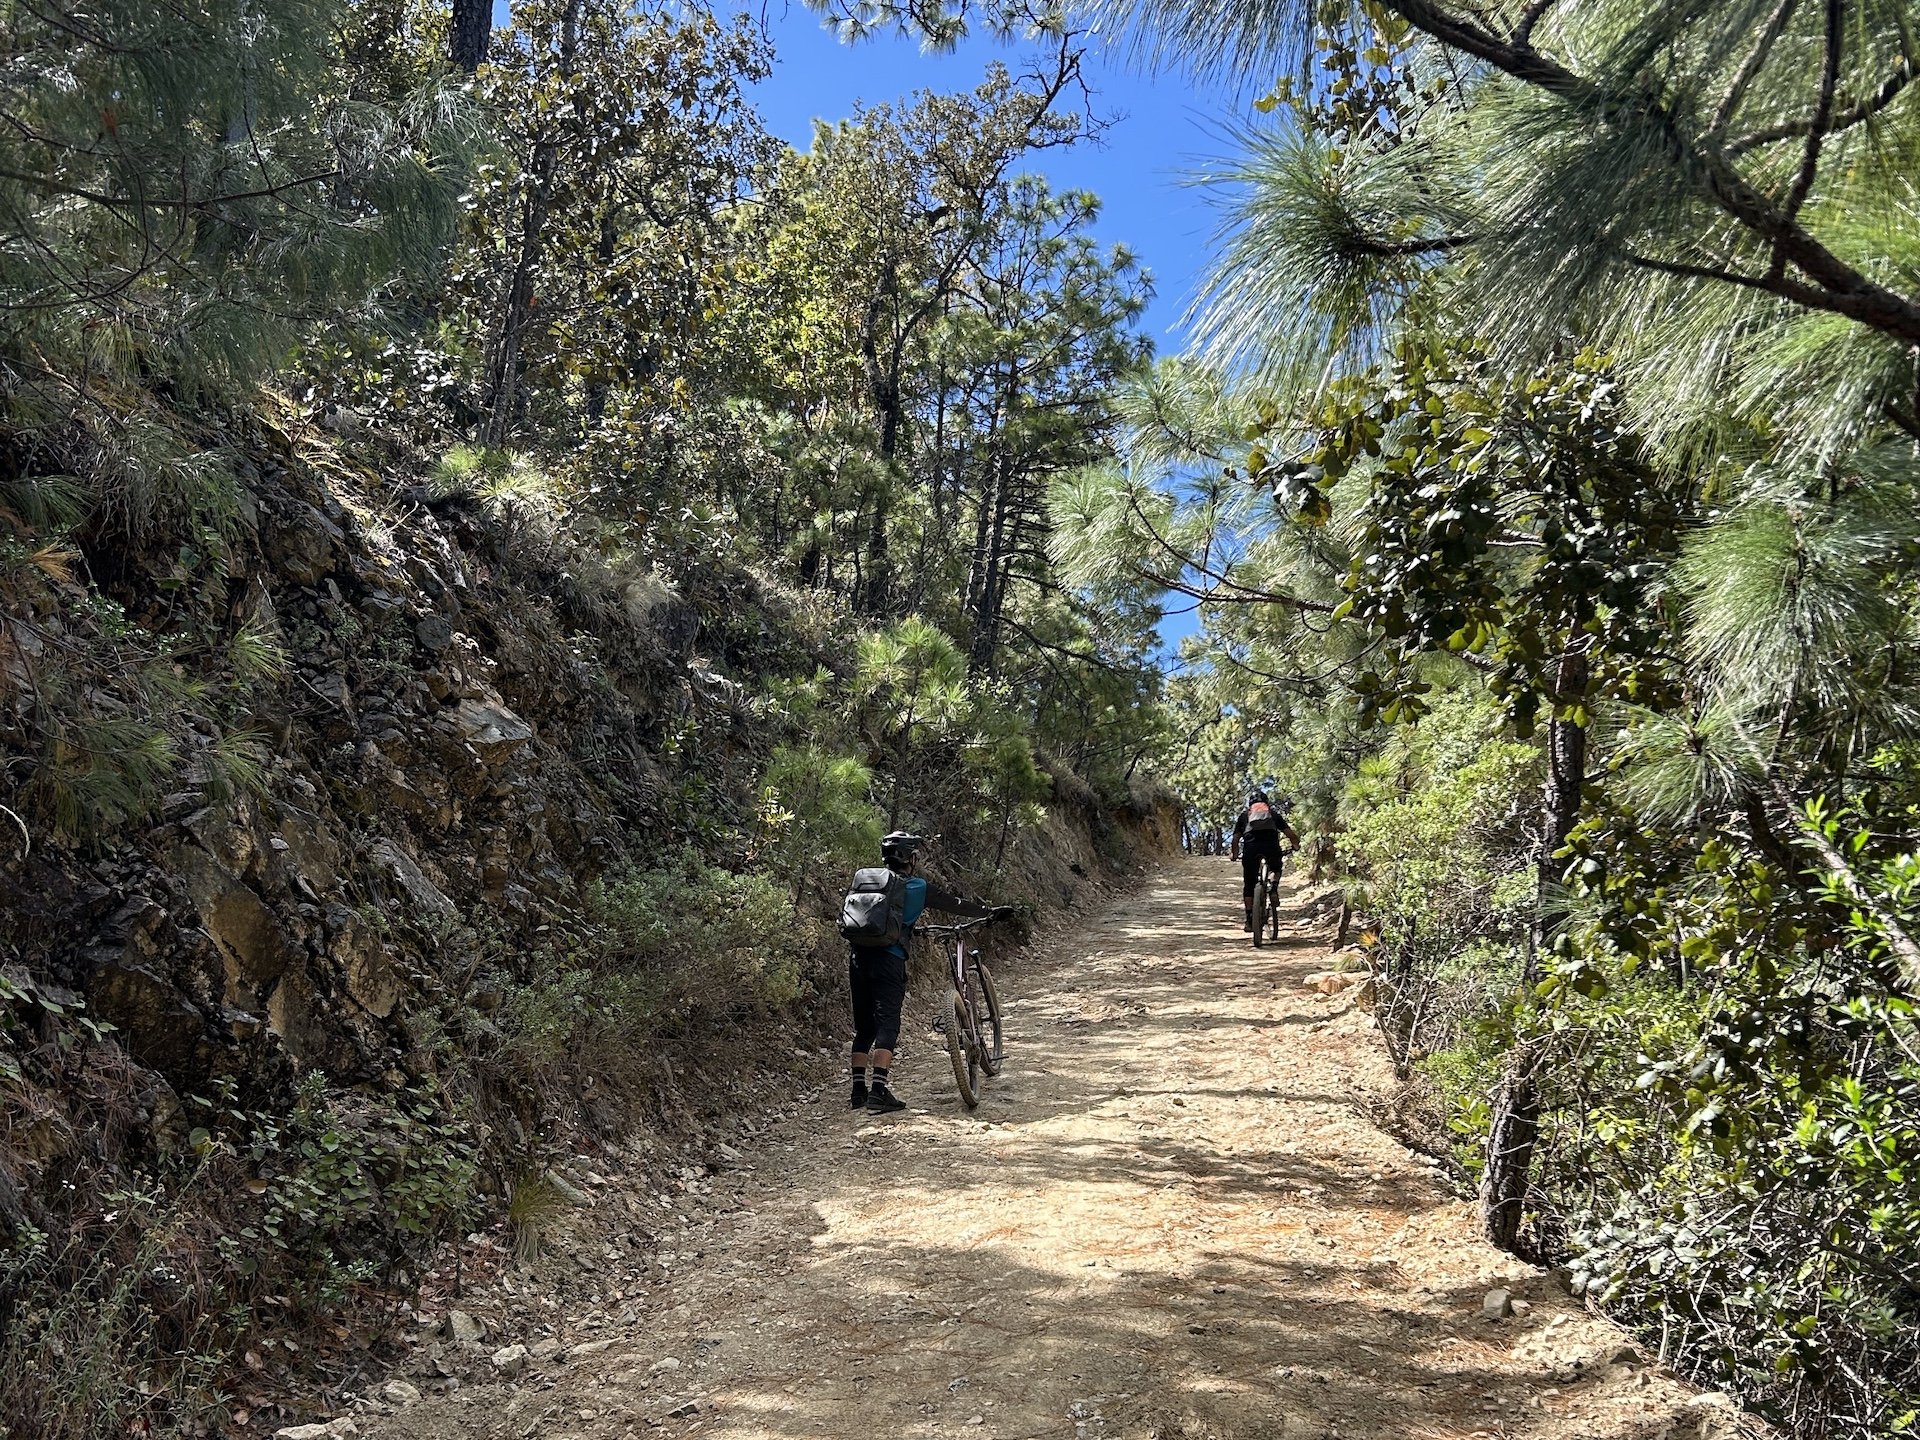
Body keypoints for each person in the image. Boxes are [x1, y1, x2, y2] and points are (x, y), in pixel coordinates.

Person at [845, 832, 1012, 1114]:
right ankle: (879, 1091)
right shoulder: (917, 887)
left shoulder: (870, 882)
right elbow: (954, 904)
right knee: (888, 1025)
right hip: (889, 961)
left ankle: (858, 1091)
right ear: (910, 858)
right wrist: (989, 911)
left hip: (858, 959)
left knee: (865, 1027)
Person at [1230, 789, 1299, 931]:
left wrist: (1234, 854)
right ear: (1266, 803)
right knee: (1275, 868)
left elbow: (1235, 839)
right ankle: (1273, 889)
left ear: (1250, 804)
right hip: (1271, 847)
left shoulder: (1244, 816)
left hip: (1251, 849)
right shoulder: (1273, 815)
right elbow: (1290, 834)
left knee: (1249, 884)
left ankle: (1250, 919)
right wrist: (1295, 845)